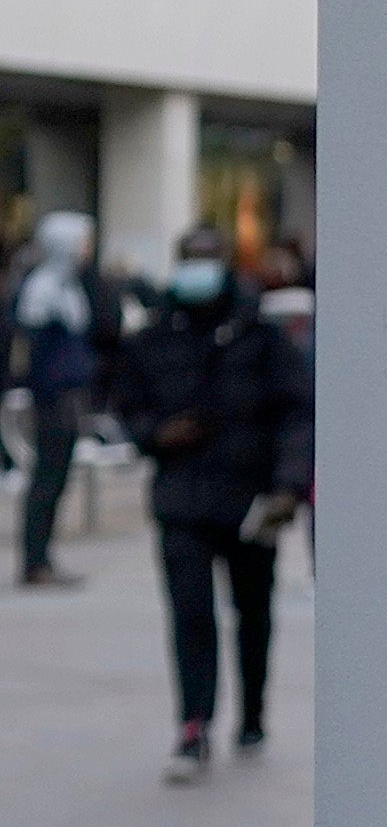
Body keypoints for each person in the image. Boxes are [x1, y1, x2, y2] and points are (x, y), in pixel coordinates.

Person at [119, 221, 308, 782]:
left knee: (252, 613)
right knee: (191, 616)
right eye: (190, 258)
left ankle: (252, 713)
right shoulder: (153, 337)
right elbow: (129, 409)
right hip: (183, 501)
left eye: (208, 256)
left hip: (252, 501)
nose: (198, 267)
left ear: (224, 262)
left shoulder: (261, 336)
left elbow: (297, 412)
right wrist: (157, 433)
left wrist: (288, 485)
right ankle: (193, 725)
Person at [11, 209, 101, 587]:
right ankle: (35, 560)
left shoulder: (68, 286)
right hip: (52, 400)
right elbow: (33, 351)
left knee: (57, 478)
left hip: (67, 396)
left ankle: (43, 556)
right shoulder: (43, 289)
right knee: (46, 480)